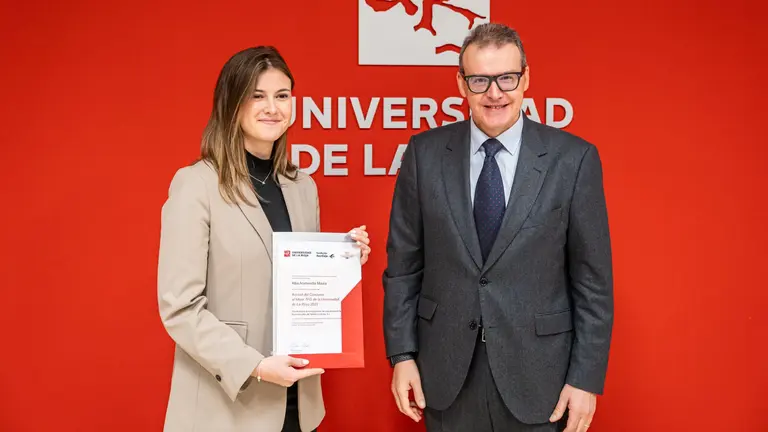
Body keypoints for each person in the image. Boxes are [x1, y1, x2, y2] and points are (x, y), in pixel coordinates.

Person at [382, 23, 613, 432]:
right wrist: (402, 355)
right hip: (447, 375)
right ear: (461, 83)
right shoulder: (424, 155)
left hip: (542, 379)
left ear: (526, 78)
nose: (495, 93)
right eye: (479, 80)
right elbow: (403, 267)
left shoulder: (573, 160)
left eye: (507, 77)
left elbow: (592, 282)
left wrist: (585, 379)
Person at [156, 46, 371, 432]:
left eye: (282, 95)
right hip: (226, 409)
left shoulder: (302, 186)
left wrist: (343, 262)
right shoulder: (196, 185)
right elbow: (180, 308)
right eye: (257, 95)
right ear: (232, 104)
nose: (272, 107)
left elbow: (300, 280)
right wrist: (254, 365)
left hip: (298, 407)